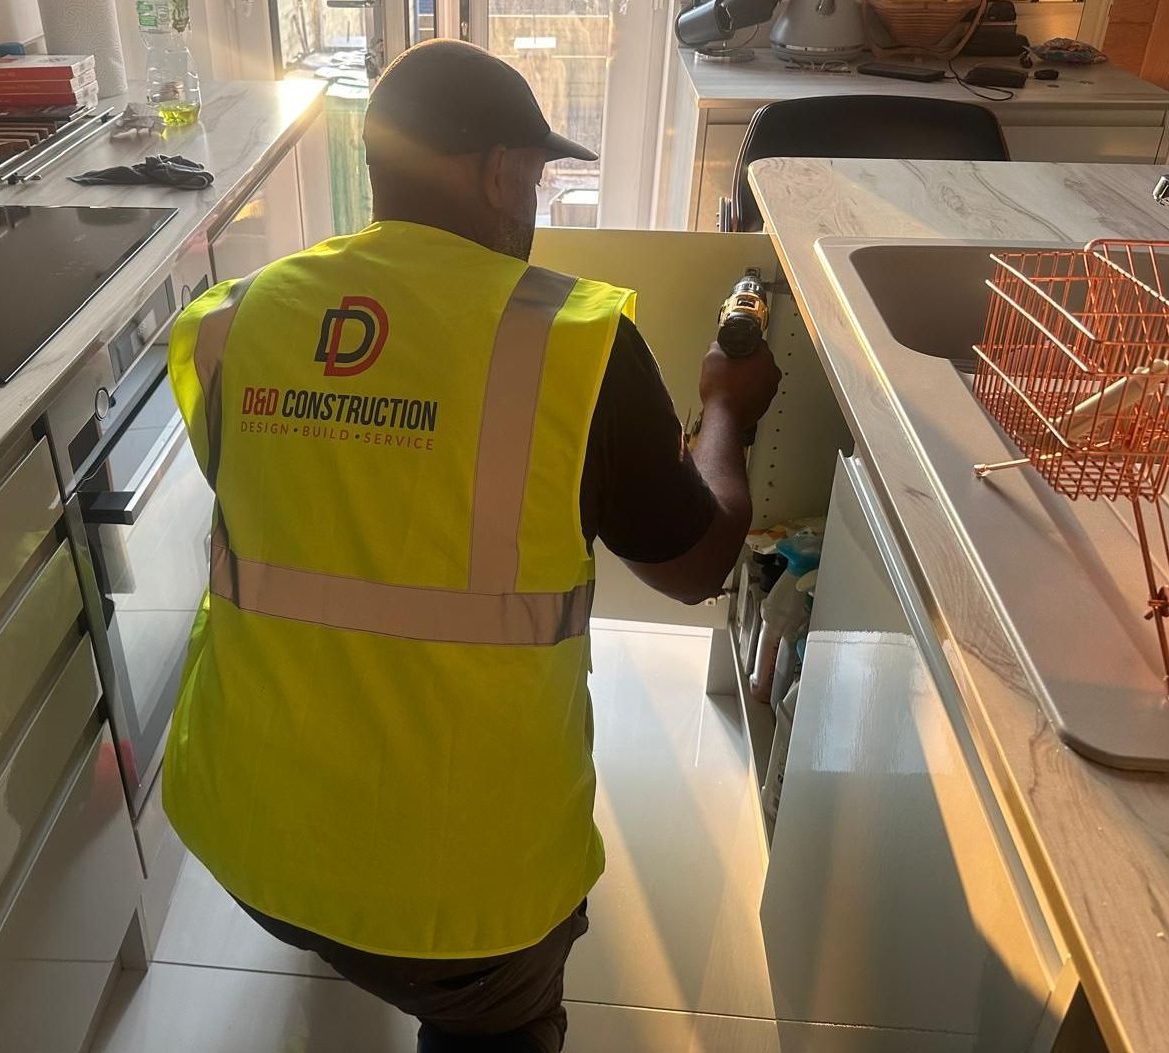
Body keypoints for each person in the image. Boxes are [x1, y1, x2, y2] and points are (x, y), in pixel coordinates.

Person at [161, 39, 782, 1053]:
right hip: (464, 909)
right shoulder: (568, 339)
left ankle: (336, 938)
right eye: (534, 178)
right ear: (501, 173)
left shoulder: (233, 322)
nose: (531, 204)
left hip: (240, 832)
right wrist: (725, 410)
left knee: (339, 921)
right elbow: (696, 566)